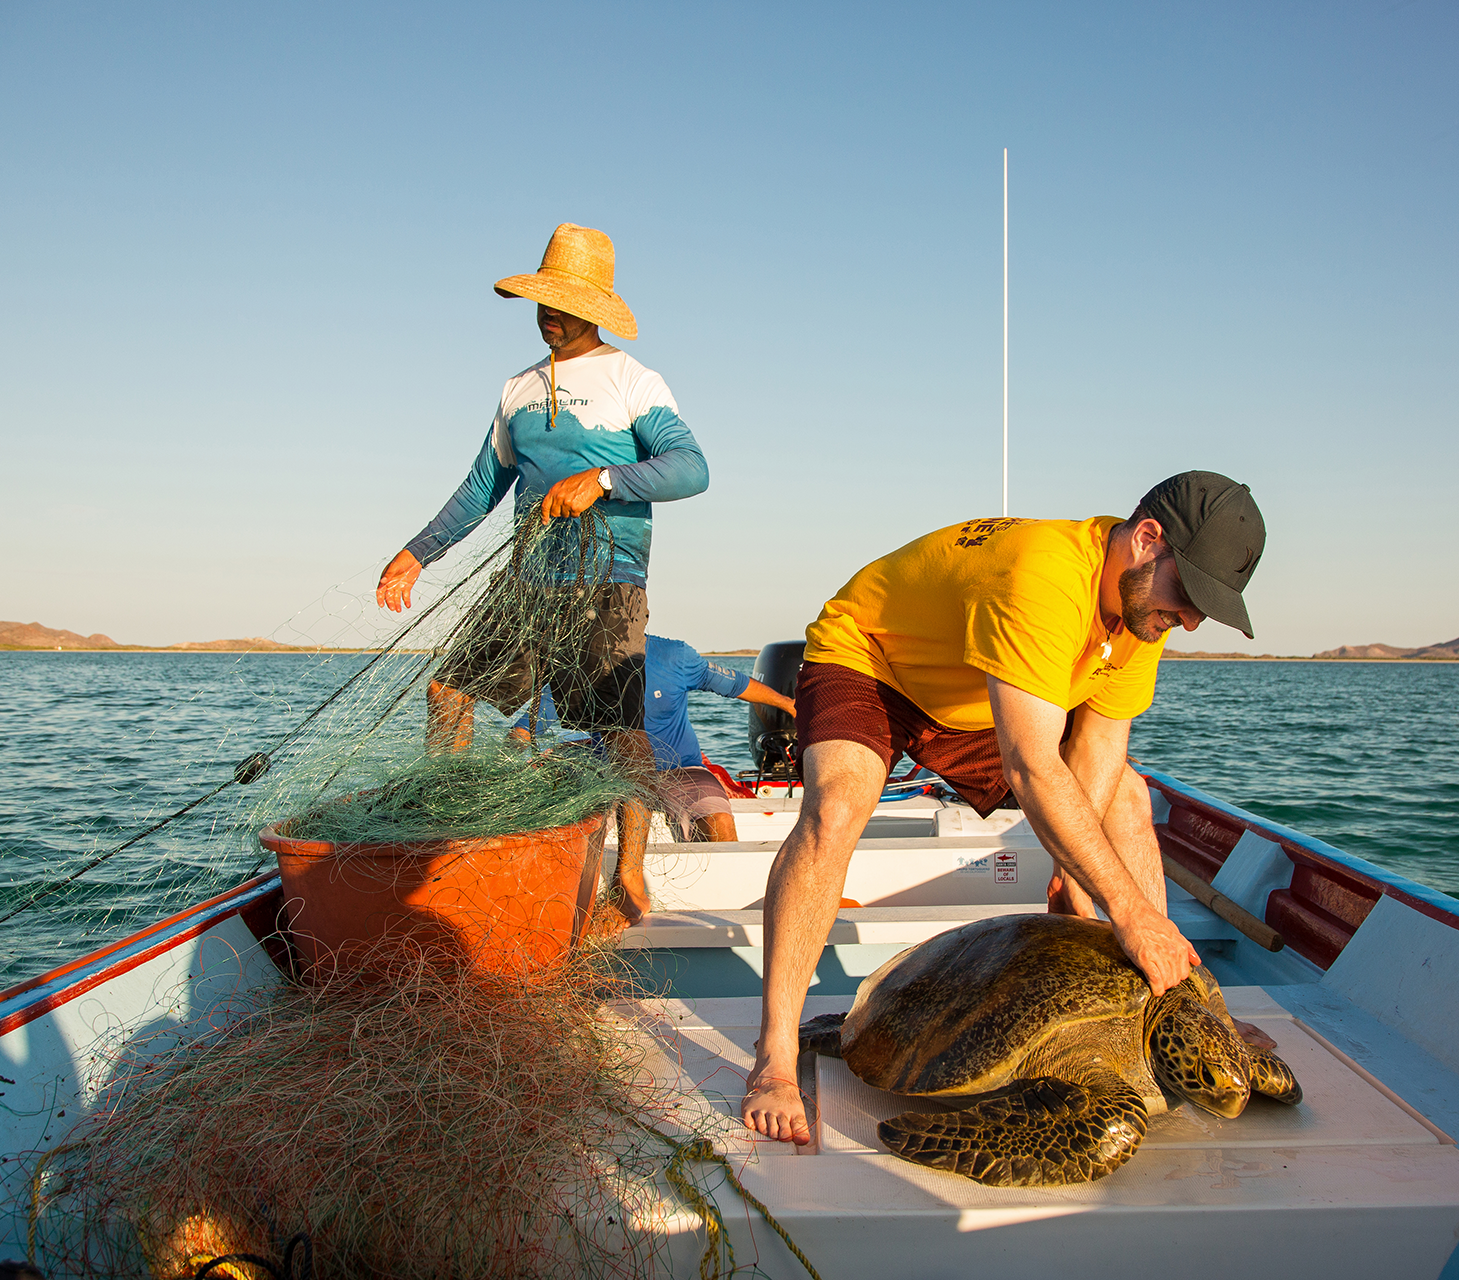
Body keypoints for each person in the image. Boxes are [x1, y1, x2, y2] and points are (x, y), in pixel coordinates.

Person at [739, 471, 1268, 1145]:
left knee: (1129, 799)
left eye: (1206, 609)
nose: (1191, 620)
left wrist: (1075, 877)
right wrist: (1129, 914)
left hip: (973, 694)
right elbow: (1033, 764)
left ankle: (1170, 1009)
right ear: (1146, 540)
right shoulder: (1045, 576)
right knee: (838, 804)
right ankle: (776, 1056)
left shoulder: (1141, 616)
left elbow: (1098, 757)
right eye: (1190, 594)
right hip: (872, 660)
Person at [375, 223, 708, 856]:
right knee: (448, 691)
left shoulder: (633, 380)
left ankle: (630, 871)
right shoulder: (517, 388)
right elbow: (482, 487)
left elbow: (693, 468)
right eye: (543, 302)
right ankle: (448, 831)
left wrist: (604, 479)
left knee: (618, 729)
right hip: (527, 578)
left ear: (594, 310)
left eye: (564, 304)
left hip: (608, 579)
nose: (549, 314)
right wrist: (416, 552)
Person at [512, 634, 798, 921]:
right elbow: (526, 726)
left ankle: (734, 905)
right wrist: (516, 754)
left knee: (717, 817)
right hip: (611, 774)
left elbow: (737, 684)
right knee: (585, 824)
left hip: (680, 769)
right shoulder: (585, 665)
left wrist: (789, 705)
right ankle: (573, 907)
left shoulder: (675, 656)